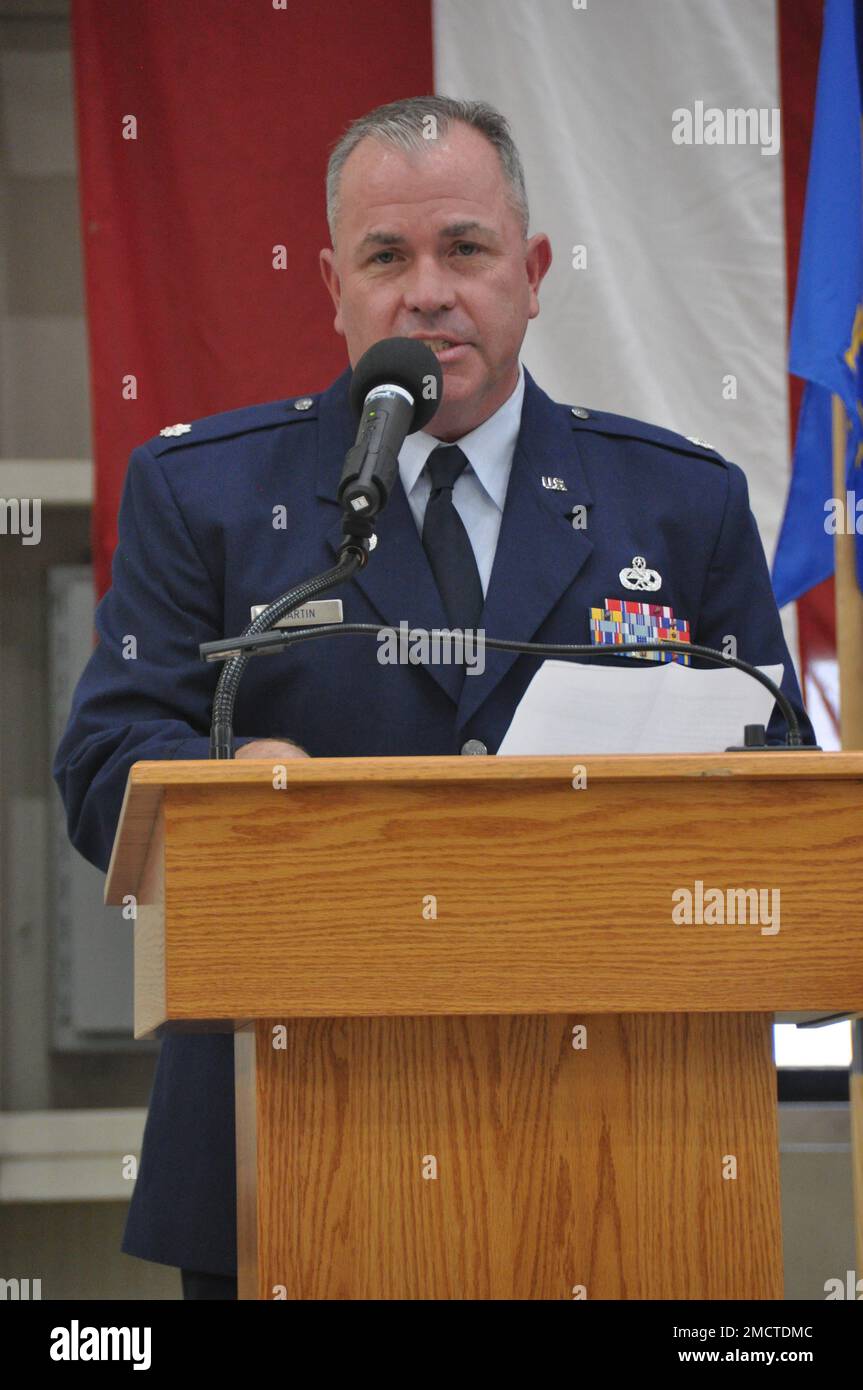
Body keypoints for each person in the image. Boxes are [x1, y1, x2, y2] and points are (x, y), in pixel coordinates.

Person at [53, 95, 814, 1300]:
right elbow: (102, 762)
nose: (427, 291)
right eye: (386, 257)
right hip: (281, 1145)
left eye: (463, 248)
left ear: (532, 270)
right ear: (331, 285)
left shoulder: (679, 502)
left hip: (628, 1143)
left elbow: (779, 791)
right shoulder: (201, 492)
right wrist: (233, 784)